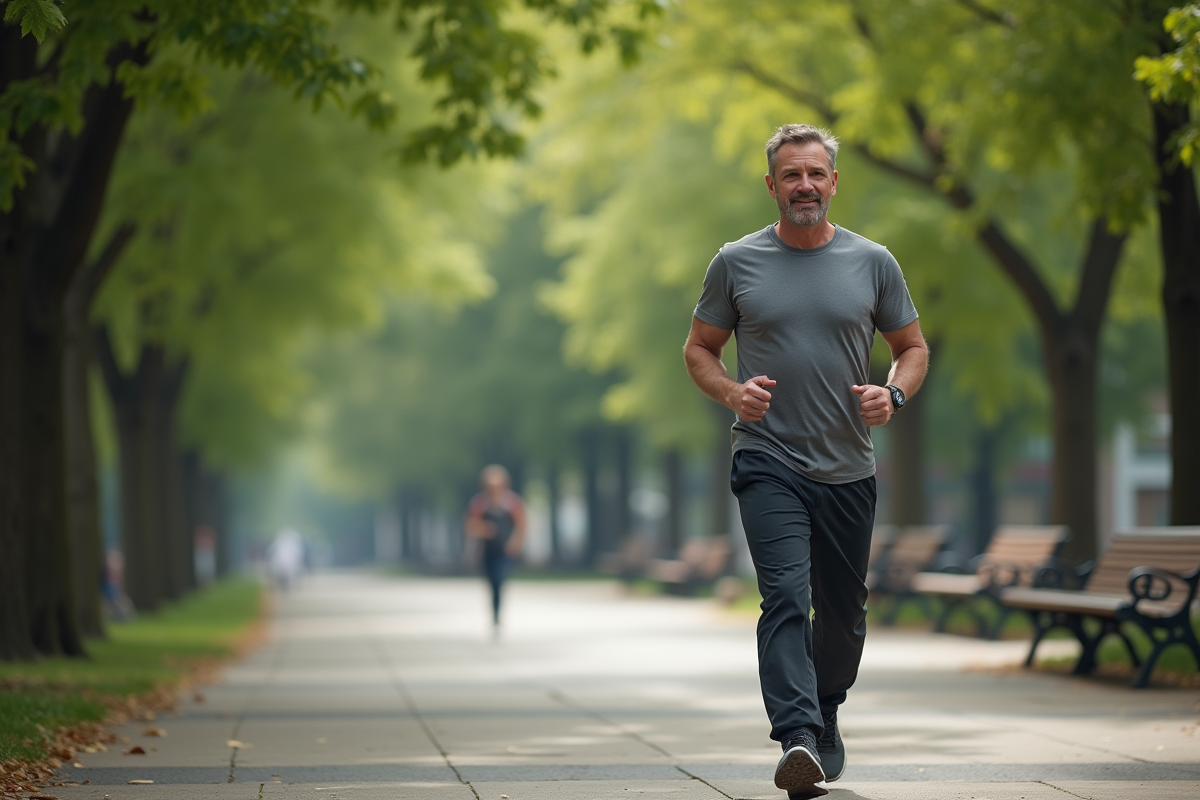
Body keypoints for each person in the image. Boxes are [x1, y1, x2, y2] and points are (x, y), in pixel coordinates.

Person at [684, 124, 928, 799]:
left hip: (848, 465)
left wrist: (894, 392)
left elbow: (912, 346)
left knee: (844, 611)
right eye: (791, 175)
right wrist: (733, 391)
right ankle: (796, 736)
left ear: (833, 181)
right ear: (771, 185)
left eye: (816, 174)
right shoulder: (735, 262)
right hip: (768, 459)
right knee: (785, 596)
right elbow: (699, 348)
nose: (804, 186)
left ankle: (825, 709)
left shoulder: (872, 261)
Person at [464, 465, 527, 631]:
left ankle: (498, 612)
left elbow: (522, 525)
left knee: (500, 579)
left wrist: (515, 543)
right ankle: (494, 610)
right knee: (491, 581)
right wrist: (485, 529)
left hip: (504, 550)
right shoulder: (480, 504)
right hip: (487, 549)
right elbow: (470, 526)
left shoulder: (512, 503)